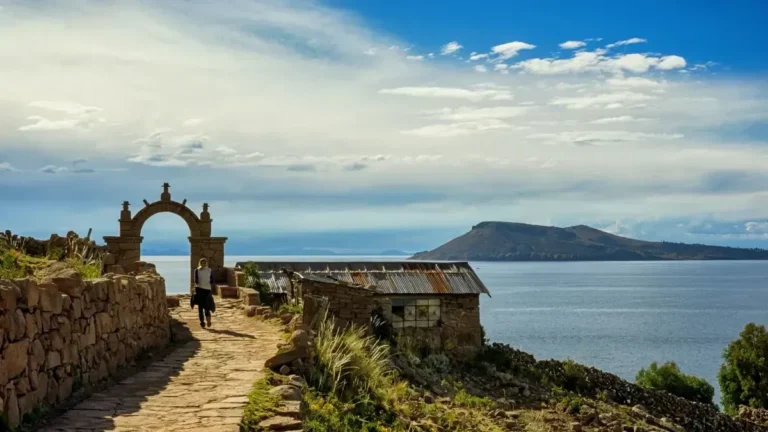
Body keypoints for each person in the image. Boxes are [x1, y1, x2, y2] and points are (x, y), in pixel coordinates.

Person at [191, 258, 216, 328]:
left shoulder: (196, 270)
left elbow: (196, 281)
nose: (203, 264)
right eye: (203, 263)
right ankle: (207, 320)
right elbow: (211, 281)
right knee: (206, 307)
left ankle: (202, 323)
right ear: (206, 263)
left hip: (199, 290)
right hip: (207, 290)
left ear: (199, 263)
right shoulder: (209, 270)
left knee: (201, 308)